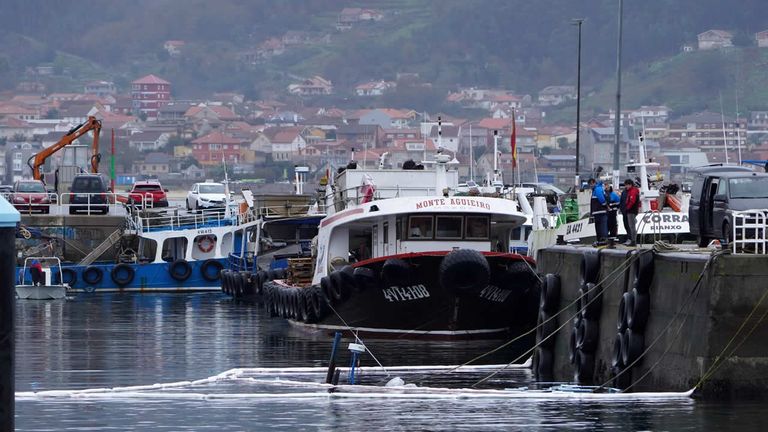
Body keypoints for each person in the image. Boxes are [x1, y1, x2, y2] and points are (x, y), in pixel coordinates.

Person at [621, 179, 640, 246]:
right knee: (631, 226)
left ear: (630, 185)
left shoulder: (633, 191)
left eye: (626, 185)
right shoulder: (631, 191)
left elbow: (632, 201)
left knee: (632, 226)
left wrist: (627, 208)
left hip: (631, 211)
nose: (626, 187)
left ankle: (633, 241)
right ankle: (633, 240)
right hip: (631, 210)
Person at [588, 178, 608, 243]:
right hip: (597, 212)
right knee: (599, 226)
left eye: (591, 184)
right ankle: (599, 239)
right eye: (590, 184)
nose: (591, 185)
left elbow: (601, 199)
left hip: (600, 211)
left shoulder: (597, 189)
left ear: (594, 183)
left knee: (602, 226)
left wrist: (605, 205)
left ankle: (603, 239)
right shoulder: (595, 190)